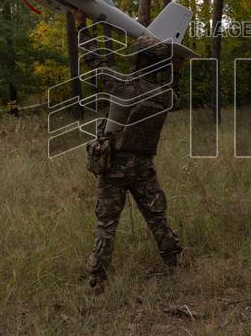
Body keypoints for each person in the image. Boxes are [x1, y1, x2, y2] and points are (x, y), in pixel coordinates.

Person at [77, 19, 183, 292]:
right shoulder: (165, 96)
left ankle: (97, 278)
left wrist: (81, 25)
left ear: (136, 59)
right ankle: (174, 262)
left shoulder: (123, 86)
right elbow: (176, 90)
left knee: (107, 224)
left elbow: (94, 61)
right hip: (143, 168)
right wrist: (175, 64)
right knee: (157, 217)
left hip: (114, 168)